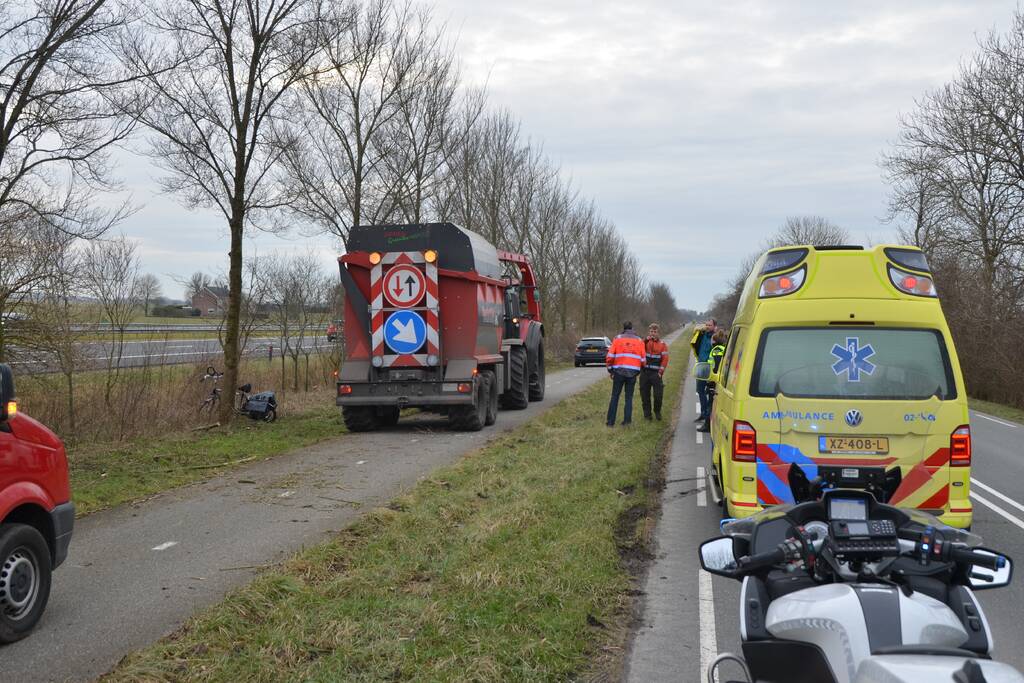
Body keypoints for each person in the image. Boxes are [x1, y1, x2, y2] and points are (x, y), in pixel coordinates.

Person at [606, 321, 645, 426]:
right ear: (632, 328)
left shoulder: (617, 339)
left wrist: (610, 370)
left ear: (623, 328)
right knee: (629, 398)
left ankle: (610, 422)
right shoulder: (640, 340)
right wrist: (638, 370)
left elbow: (610, 357)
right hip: (632, 373)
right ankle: (627, 422)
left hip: (618, 372)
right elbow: (643, 360)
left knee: (615, 396)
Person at [698, 329, 728, 432]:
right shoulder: (722, 348)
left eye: (711, 339)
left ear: (714, 341)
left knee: (711, 404)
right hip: (718, 381)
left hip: (714, 381)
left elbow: (716, 367)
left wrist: (711, 381)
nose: (710, 341)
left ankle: (707, 425)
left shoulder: (716, 350)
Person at [640, 322, 670, 421]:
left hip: (656, 374)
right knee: (645, 395)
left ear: (658, 333)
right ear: (649, 332)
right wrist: (645, 340)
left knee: (658, 395)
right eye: (651, 331)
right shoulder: (644, 342)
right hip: (644, 373)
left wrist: (660, 372)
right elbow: (639, 349)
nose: (653, 333)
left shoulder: (663, 345)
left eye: (655, 331)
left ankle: (657, 411)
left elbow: (665, 359)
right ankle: (647, 415)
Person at [690, 318, 717, 424]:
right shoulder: (702, 334)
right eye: (707, 325)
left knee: (710, 393)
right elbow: (695, 329)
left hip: (710, 368)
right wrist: (703, 327)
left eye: (710, 325)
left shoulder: (715, 337)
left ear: (715, 326)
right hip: (701, 366)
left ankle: (708, 416)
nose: (707, 327)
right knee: (700, 391)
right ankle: (703, 413)